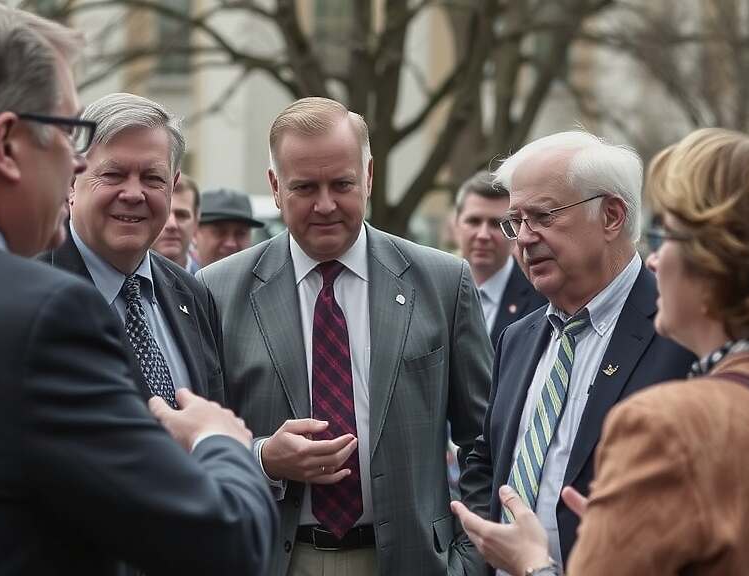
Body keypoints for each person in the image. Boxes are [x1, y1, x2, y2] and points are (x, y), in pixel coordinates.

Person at [0, 2, 274, 574]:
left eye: (152, 178)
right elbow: (229, 544)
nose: (73, 161)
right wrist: (220, 442)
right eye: (69, 132)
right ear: (4, 144)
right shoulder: (39, 312)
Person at [455, 127, 749, 575]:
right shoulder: (518, 336)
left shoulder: (670, 412)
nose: (656, 258)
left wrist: (533, 565)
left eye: (672, 236)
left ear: (725, 260)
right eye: (516, 221)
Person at [198, 97, 493, 576]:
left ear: (369, 176)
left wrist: (470, 558)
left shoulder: (442, 282)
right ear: (274, 187)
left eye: (341, 184)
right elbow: (200, 440)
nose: (325, 205)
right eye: (304, 187)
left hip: (416, 562)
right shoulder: (218, 291)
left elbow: (483, 441)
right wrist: (264, 459)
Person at [459, 131, 694, 571]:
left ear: (611, 216)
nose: (524, 238)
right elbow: (486, 460)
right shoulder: (518, 337)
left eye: (543, 216)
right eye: (516, 221)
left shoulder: (680, 335)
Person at [43, 92, 223, 404]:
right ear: (72, 180)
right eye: (113, 175)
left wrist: (259, 451)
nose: (133, 194)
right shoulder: (30, 291)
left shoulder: (192, 295)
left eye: (153, 178)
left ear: (172, 185)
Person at [453, 170, 545, 347]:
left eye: (496, 224)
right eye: (473, 221)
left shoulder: (541, 296)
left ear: (515, 228)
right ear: (456, 224)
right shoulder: (435, 291)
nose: (483, 235)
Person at [196, 187, 264, 266]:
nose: (231, 244)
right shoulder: (180, 276)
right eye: (220, 232)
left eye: (241, 233)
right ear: (195, 234)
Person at [151, 172, 201, 273]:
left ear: (196, 222)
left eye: (181, 215)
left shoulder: (208, 285)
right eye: (163, 213)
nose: (172, 225)